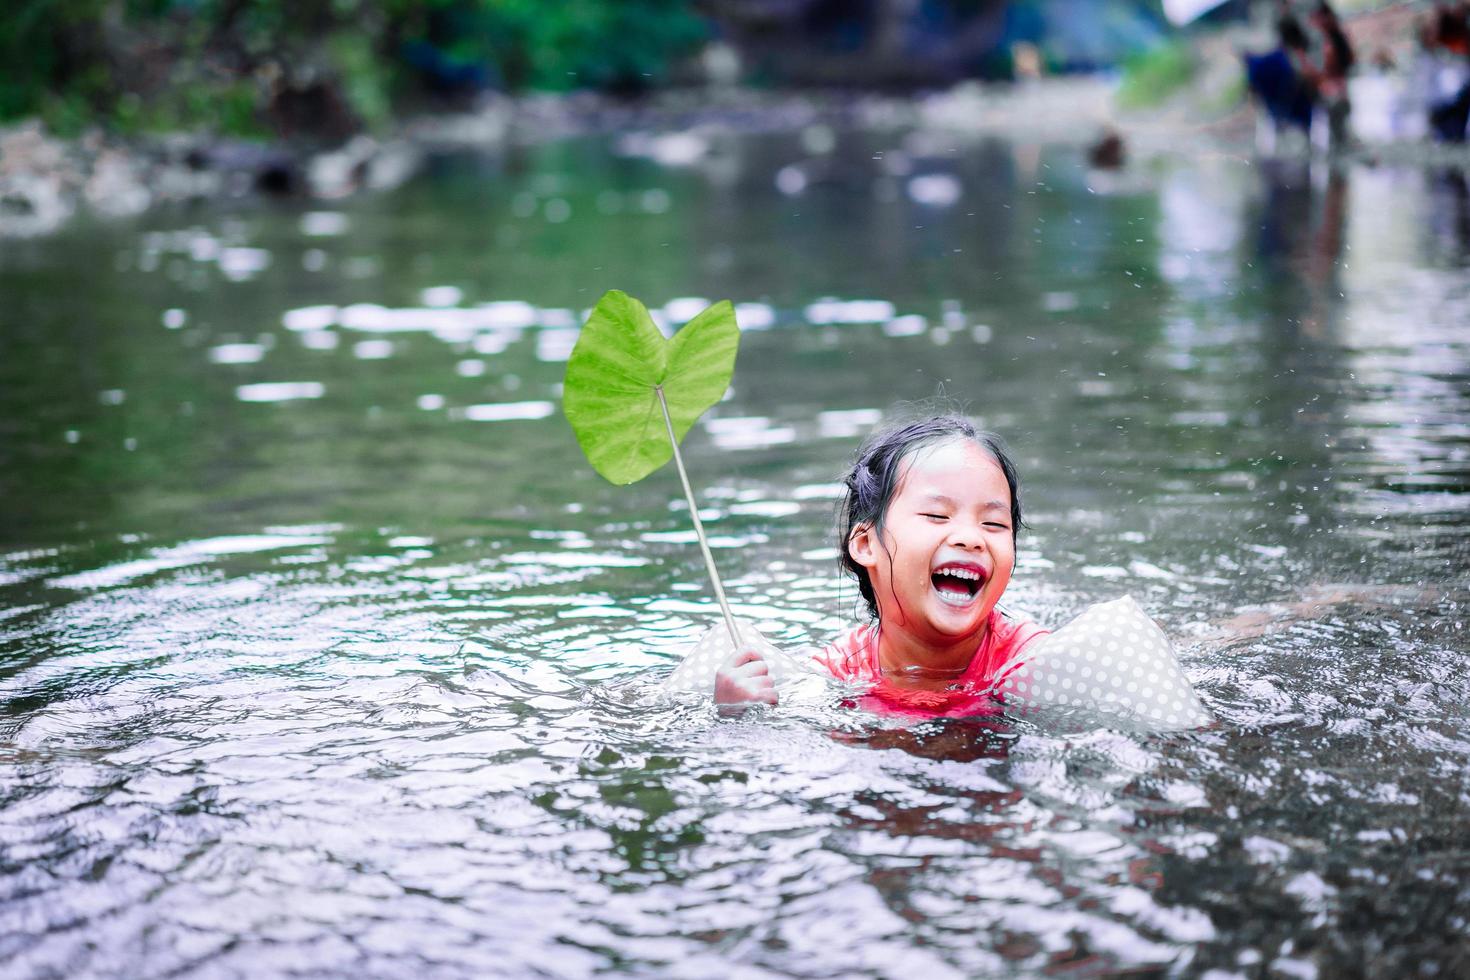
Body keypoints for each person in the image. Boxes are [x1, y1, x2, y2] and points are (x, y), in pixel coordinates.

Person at [713, 415, 1049, 718]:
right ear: (866, 544)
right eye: (937, 515)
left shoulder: (1032, 662)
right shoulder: (835, 675)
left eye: (993, 524)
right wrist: (739, 717)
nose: (971, 538)